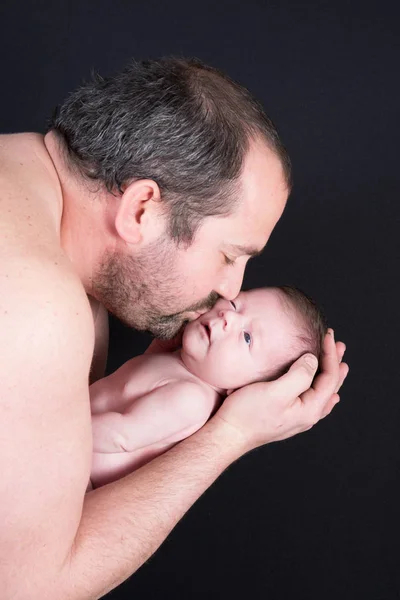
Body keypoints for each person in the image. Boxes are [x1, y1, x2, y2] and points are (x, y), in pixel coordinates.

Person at [0, 57, 348, 599]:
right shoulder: (38, 306)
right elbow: (29, 591)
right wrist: (230, 435)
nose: (232, 291)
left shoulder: (21, 169)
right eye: (231, 254)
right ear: (143, 209)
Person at [89, 286, 327, 489]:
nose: (228, 317)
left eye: (247, 338)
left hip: (82, 473)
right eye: (235, 304)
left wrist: (58, 425)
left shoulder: (191, 399)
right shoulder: (176, 361)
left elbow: (122, 435)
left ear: (244, 390)